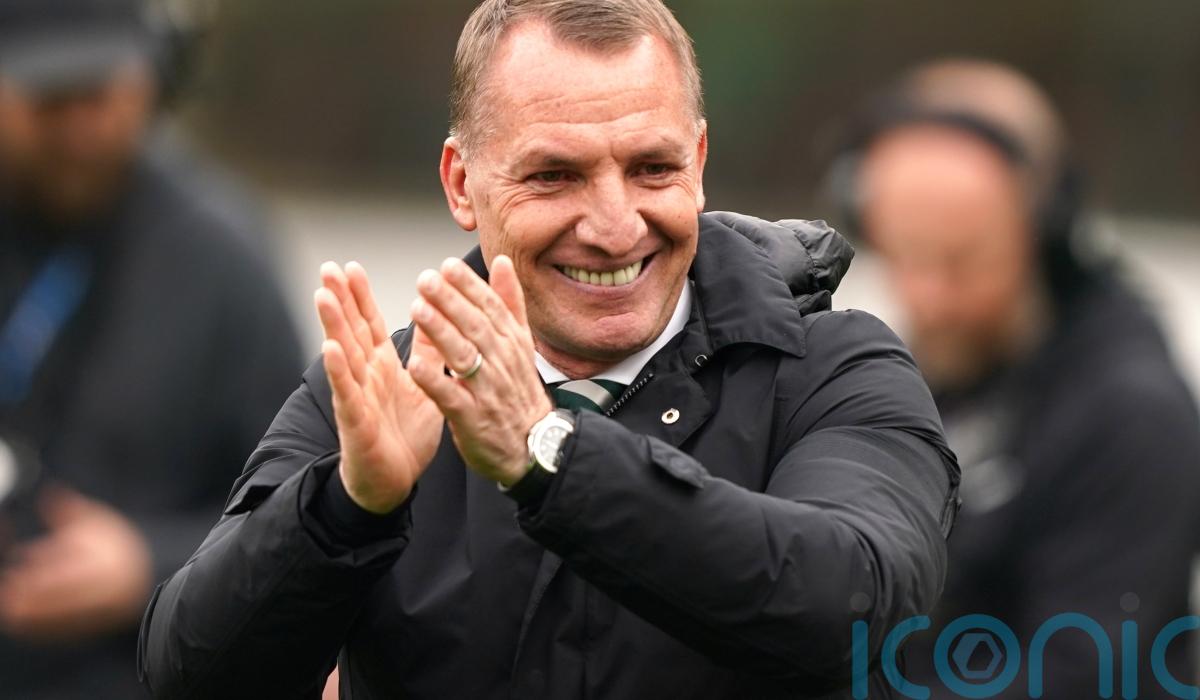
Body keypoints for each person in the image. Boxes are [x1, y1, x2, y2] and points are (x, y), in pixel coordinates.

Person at [139, 1, 960, 697]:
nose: (614, 226)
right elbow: (188, 674)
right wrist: (346, 510)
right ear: (462, 183)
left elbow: (855, 609)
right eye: (555, 176)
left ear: (700, 162)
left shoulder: (832, 371)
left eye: (652, 168)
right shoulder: (376, 398)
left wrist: (548, 456)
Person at [831, 59, 1200, 697]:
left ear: (1044, 227)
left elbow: (1075, 677)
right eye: (905, 255)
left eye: (962, 260)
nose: (929, 298)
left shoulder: (1131, 413)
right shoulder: (924, 371)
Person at [0, 0, 302, 697]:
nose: (80, 129)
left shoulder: (223, 260)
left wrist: (150, 565)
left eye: (100, 94)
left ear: (156, 78)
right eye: (50, 100)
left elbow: (304, 509)